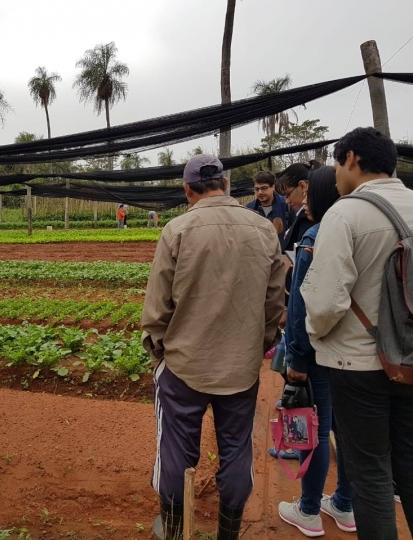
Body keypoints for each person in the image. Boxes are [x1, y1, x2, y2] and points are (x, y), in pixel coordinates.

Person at [143, 155, 286, 540]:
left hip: (185, 366)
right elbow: (275, 304)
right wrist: (260, 346)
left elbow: (158, 308)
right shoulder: (262, 229)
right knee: (237, 450)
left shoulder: (177, 230)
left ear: (187, 190)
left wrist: (159, 353)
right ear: (226, 184)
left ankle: (175, 530)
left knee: (175, 451)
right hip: (240, 368)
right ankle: (228, 533)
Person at [302, 127, 413, 539]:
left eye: (338, 164)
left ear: (352, 158)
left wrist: (313, 332)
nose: (337, 174)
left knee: (368, 470)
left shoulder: (345, 213)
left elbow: (325, 305)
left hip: (358, 365)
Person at [276, 165, 355, 537]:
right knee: (350, 430)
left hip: (321, 351)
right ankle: (344, 505)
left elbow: (301, 310)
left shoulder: (314, 236)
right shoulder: (359, 230)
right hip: (358, 354)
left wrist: (297, 360)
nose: (304, 199)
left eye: (310, 194)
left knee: (316, 431)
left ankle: (308, 511)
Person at [277, 162, 315, 254]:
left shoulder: (309, 220)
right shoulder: (299, 216)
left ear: (302, 186)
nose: (287, 201)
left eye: (287, 194)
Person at [246, 170, 288, 240]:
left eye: (264, 188)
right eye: (257, 189)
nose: (260, 192)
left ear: (273, 187)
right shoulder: (249, 209)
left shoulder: (287, 205)